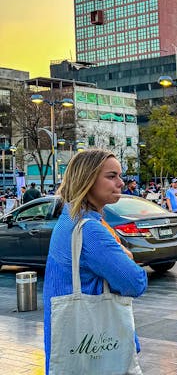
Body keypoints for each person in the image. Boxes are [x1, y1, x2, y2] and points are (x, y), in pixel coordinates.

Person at [42, 149, 148, 374]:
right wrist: (127, 257)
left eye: (120, 175)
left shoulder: (69, 219)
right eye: (111, 176)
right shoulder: (90, 231)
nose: (121, 182)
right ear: (87, 180)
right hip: (97, 350)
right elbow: (135, 283)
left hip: (72, 343)